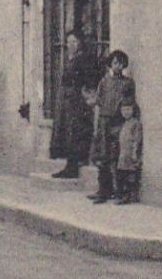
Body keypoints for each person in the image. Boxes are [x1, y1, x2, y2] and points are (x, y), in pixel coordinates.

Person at [51, 30, 103, 179]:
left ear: (80, 43)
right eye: (69, 42)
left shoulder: (84, 59)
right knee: (67, 131)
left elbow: (90, 79)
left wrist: (86, 95)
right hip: (67, 100)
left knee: (75, 131)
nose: (71, 45)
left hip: (77, 100)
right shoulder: (70, 59)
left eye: (74, 42)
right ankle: (70, 164)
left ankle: (74, 165)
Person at [88, 49, 136, 204]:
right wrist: (97, 126)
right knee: (102, 157)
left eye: (121, 63)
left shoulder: (128, 83)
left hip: (118, 123)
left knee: (117, 157)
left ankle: (119, 191)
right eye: (115, 63)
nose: (118, 66)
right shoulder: (104, 82)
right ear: (110, 64)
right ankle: (103, 190)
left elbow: (129, 105)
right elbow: (98, 103)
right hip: (104, 122)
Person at [114, 100, 143, 205]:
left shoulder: (135, 123)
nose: (126, 112)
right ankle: (122, 194)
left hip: (130, 153)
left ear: (133, 110)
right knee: (122, 173)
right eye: (124, 110)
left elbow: (137, 139)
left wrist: (134, 152)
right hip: (123, 153)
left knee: (130, 175)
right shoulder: (124, 124)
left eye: (128, 109)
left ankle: (129, 196)